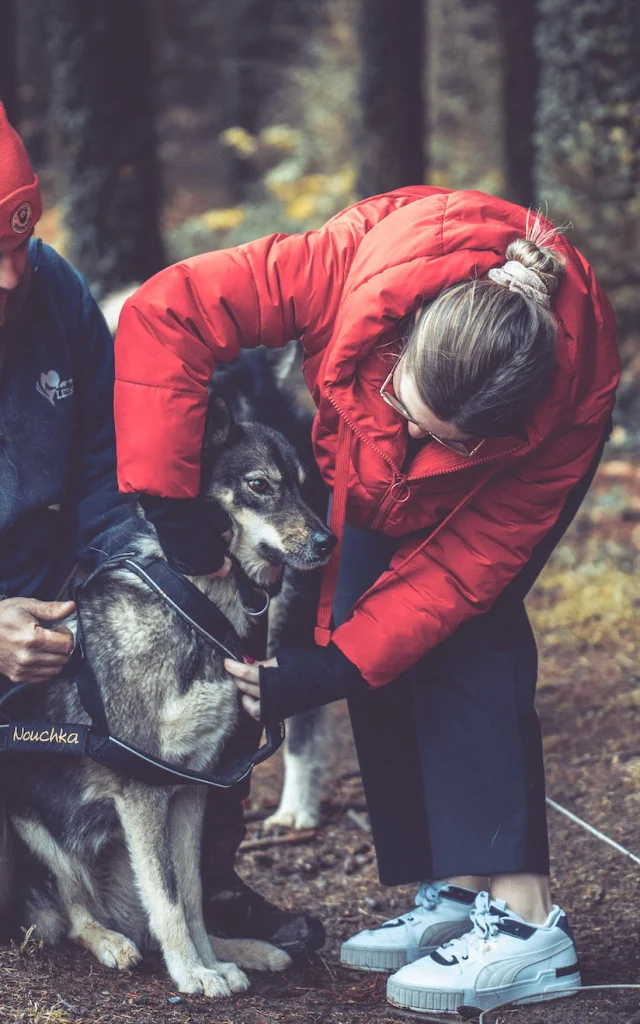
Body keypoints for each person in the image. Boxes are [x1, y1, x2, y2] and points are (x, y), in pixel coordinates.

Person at [113, 185, 619, 1014]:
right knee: (360, 601)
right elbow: (165, 313)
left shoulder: (555, 420)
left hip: (514, 475)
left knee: (470, 625)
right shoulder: (341, 268)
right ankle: (458, 892)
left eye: (440, 442)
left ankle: (527, 924)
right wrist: (172, 504)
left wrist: (329, 670)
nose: (412, 442)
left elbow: (457, 576)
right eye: (404, 407)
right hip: (375, 417)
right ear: (405, 333)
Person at [0, 104, 321, 957]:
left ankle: (204, 884)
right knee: (17, 906)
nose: (8, 278)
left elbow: (114, 470)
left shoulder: (56, 291)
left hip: (68, 605)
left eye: (18, 246)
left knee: (216, 645)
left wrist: (151, 583)